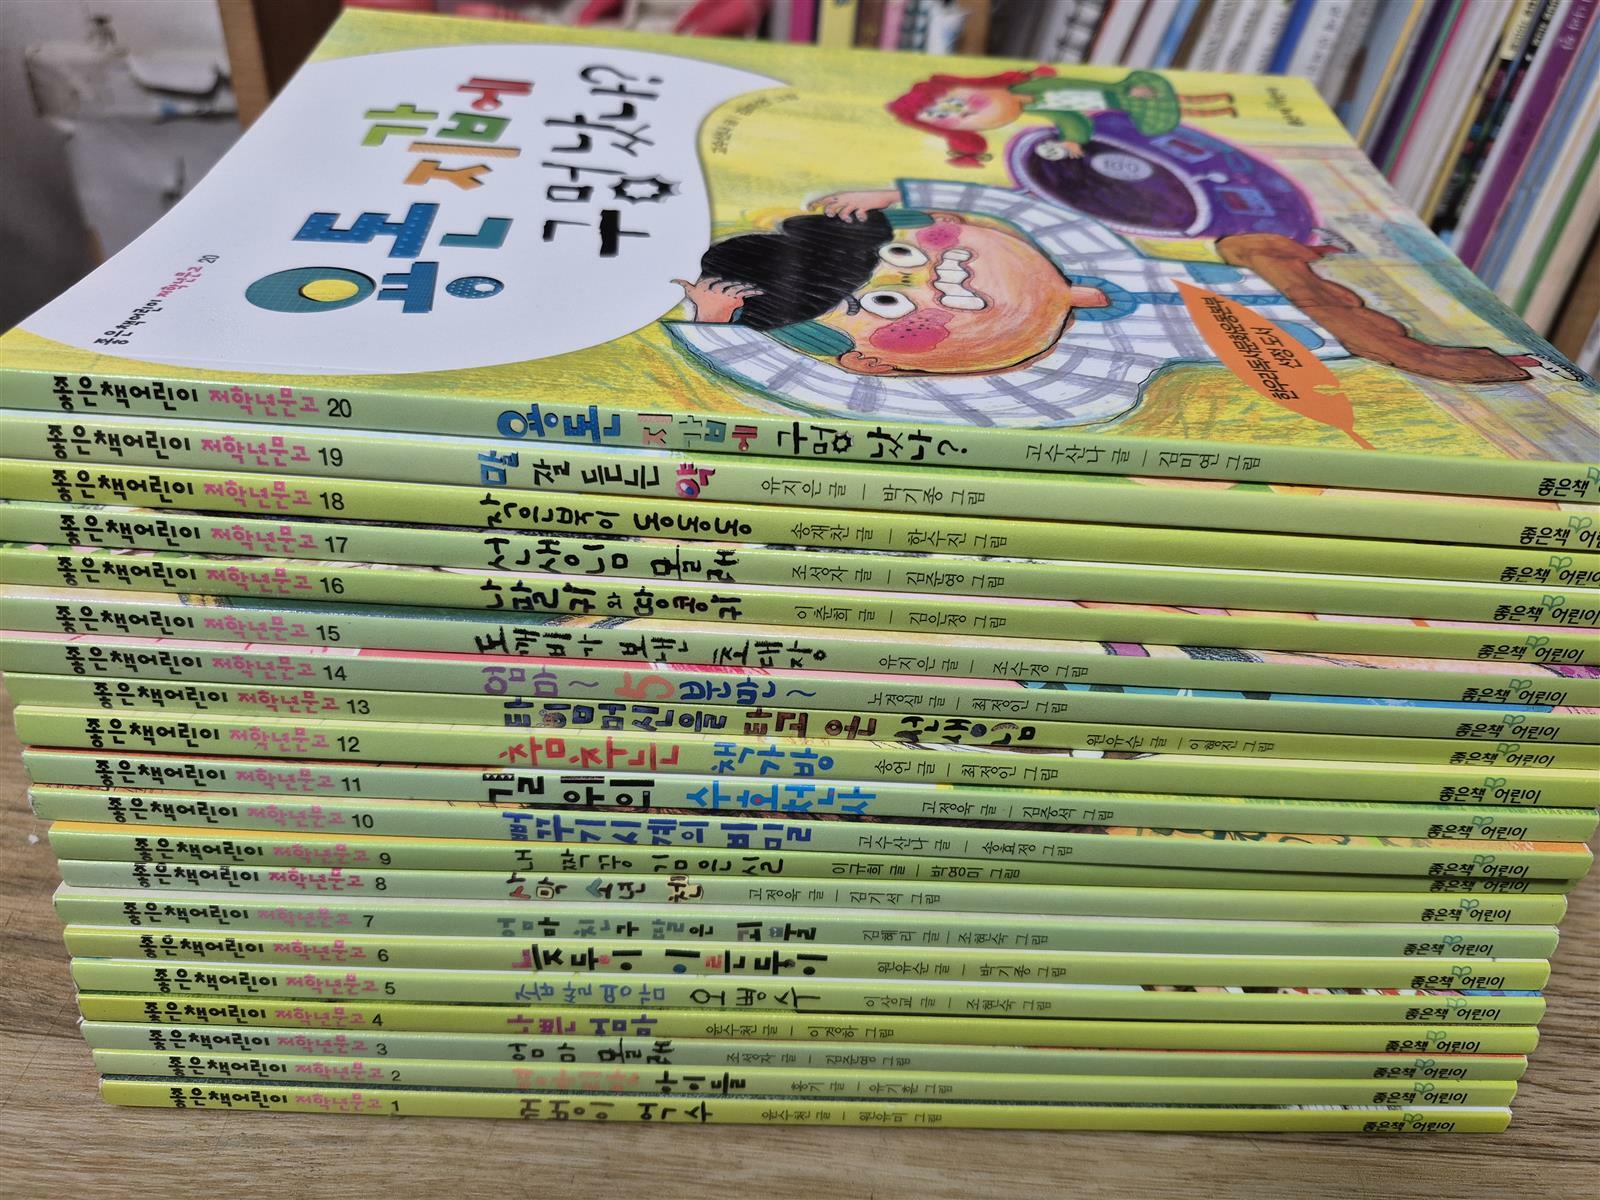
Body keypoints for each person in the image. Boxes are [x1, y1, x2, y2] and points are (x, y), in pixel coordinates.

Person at [887, 67, 1236, 167]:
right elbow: (1070, 117)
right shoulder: (1036, 106)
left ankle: (1220, 105)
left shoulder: (1035, 88)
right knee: (1170, 108)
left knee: (1174, 99)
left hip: (1121, 91)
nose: (973, 111)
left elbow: (1082, 92)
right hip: (1119, 101)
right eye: (963, 117)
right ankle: (1219, 108)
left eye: (965, 102)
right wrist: (1072, 139)